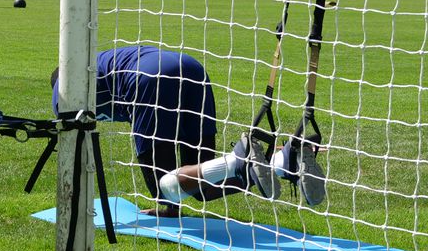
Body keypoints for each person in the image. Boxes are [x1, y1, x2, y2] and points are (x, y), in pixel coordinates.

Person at [54, 46, 278, 218]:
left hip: (149, 77)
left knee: (166, 186)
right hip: (192, 68)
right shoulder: (96, 68)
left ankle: (236, 161)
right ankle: (282, 162)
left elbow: (73, 142)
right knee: (205, 185)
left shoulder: (62, 93)